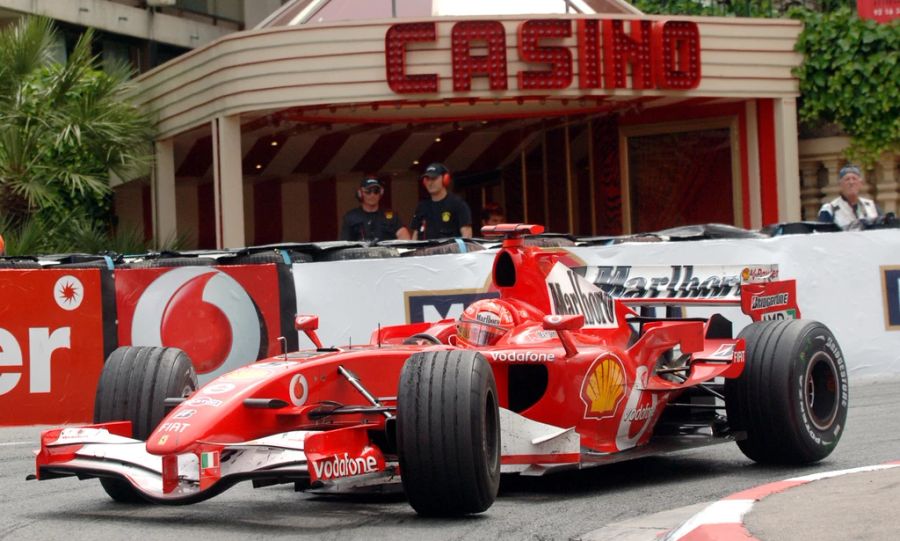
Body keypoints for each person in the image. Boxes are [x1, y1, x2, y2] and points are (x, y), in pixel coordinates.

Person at [410, 163, 473, 240]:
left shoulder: (458, 204)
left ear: (445, 179)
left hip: (450, 251)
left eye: (434, 178)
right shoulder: (422, 207)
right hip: (425, 251)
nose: (430, 183)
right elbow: (415, 235)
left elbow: (467, 235)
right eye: (427, 179)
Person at [340, 177, 409, 242]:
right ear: (360, 194)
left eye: (376, 191)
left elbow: (404, 236)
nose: (372, 195)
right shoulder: (351, 217)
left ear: (380, 193)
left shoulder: (391, 215)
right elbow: (344, 243)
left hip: (387, 253)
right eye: (368, 191)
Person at [818, 164, 881, 231]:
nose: (851, 182)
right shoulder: (829, 209)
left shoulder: (871, 206)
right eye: (847, 179)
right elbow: (823, 236)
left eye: (854, 179)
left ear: (860, 183)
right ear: (840, 184)